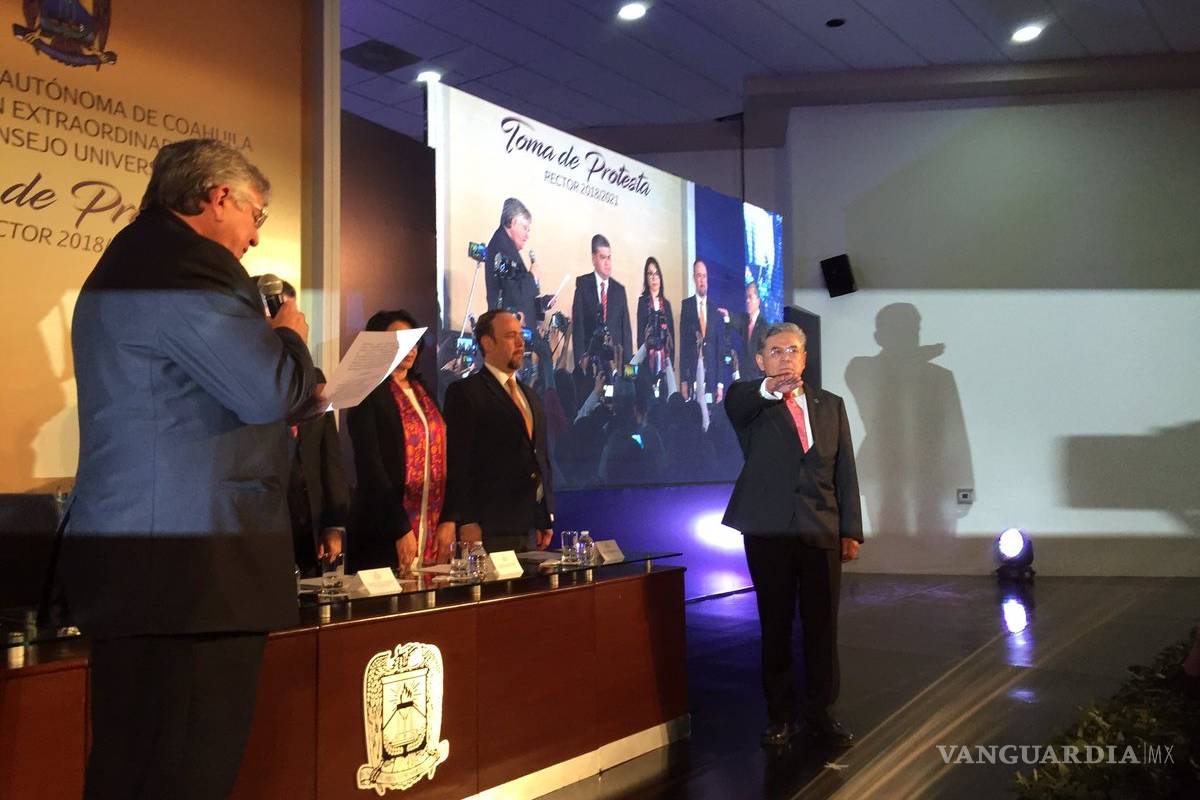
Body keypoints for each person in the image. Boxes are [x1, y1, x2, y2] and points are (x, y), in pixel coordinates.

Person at [60, 139, 317, 799]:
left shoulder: (137, 260)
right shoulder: (184, 265)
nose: (255, 238)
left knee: (136, 768)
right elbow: (266, 390)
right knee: (181, 773)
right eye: (254, 215)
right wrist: (288, 333)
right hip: (190, 577)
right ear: (218, 197)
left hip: (158, 570)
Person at [722, 322, 862, 749]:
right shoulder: (748, 401)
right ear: (761, 360)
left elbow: (845, 471)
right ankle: (780, 715)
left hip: (821, 526)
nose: (786, 357)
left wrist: (850, 529)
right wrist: (769, 387)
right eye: (776, 350)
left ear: (805, 358)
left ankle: (821, 713)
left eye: (793, 350)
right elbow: (743, 400)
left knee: (822, 627)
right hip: (769, 530)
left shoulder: (830, 405)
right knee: (777, 625)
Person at [347, 309, 454, 573]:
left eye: (413, 340)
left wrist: (449, 518)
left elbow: (446, 456)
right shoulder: (365, 393)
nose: (410, 347)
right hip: (385, 528)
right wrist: (399, 527)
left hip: (432, 524)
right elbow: (371, 467)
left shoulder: (423, 389)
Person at [444, 309, 554, 554]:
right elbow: (458, 462)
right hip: (488, 528)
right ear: (487, 342)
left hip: (527, 528)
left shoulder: (530, 396)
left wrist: (544, 514)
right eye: (510, 336)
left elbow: (540, 457)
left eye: (521, 335)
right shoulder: (465, 392)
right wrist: (467, 519)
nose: (520, 342)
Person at [571, 234, 632, 375]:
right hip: (590, 365)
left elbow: (626, 333)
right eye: (602, 257)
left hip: (615, 365)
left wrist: (630, 373)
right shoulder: (583, 285)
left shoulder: (619, 290)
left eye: (609, 257)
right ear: (593, 259)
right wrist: (580, 366)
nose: (607, 262)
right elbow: (578, 329)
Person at [485, 197, 541, 330]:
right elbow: (514, 294)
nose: (527, 236)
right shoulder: (500, 248)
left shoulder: (505, 247)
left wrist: (543, 302)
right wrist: (532, 276)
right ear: (513, 222)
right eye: (525, 228)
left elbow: (516, 288)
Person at [679, 258, 724, 403]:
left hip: (711, 378)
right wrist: (683, 382)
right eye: (699, 276)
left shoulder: (714, 310)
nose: (702, 280)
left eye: (704, 276)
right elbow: (683, 347)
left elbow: (720, 349)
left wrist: (720, 384)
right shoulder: (686, 307)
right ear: (694, 278)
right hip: (693, 375)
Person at [635, 256, 676, 389]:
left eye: (657, 273)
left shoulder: (667, 305)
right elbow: (640, 336)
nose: (654, 278)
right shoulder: (643, 303)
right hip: (647, 361)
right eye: (650, 274)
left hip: (665, 362)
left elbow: (672, 338)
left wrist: (671, 365)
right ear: (646, 278)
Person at [730, 281, 769, 380]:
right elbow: (734, 320)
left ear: (758, 301)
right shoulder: (744, 320)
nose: (747, 300)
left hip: (757, 380)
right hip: (742, 379)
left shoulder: (764, 327)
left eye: (750, 297)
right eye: (746, 297)